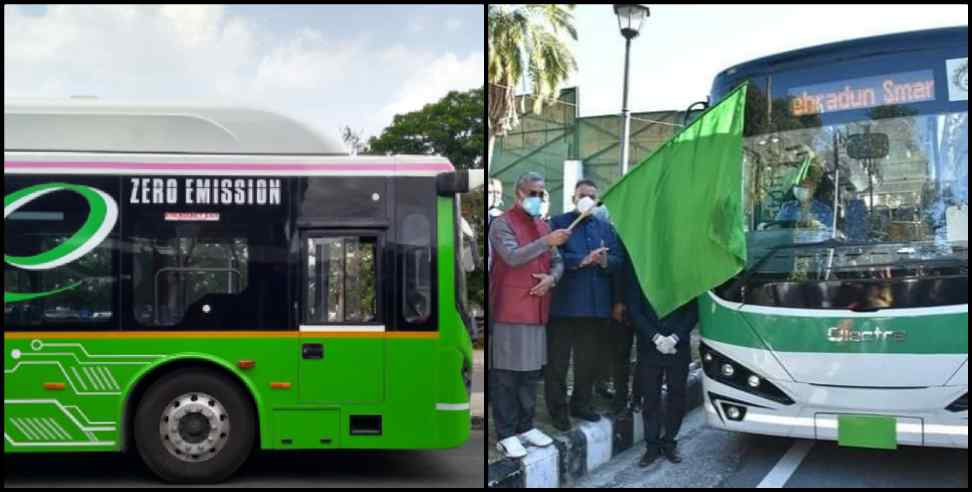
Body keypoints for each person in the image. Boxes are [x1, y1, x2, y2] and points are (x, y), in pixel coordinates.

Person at [489, 172, 571, 459]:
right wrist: (546, 241)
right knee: (506, 376)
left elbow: (558, 262)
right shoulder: (502, 224)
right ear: (519, 193)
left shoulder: (543, 225)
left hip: (538, 310)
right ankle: (506, 433)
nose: (538, 198)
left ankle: (526, 426)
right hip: (510, 310)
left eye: (542, 193)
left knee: (530, 374)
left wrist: (552, 279)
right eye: (533, 193)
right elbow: (511, 256)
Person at [544, 179, 622, 431]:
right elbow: (549, 257)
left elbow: (620, 261)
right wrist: (582, 259)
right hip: (564, 307)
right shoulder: (558, 223)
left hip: (595, 308)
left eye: (591, 195)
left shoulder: (605, 228)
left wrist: (604, 261)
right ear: (573, 198)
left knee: (587, 362)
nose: (587, 199)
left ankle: (582, 404)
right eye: (582, 195)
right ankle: (557, 410)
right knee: (557, 363)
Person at [616, 243, 699, 467]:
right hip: (649, 345)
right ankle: (651, 446)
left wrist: (674, 338)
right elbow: (635, 309)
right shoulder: (640, 271)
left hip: (677, 346)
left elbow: (693, 310)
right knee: (650, 397)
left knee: (677, 397)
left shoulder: (685, 273)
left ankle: (670, 441)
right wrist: (655, 337)